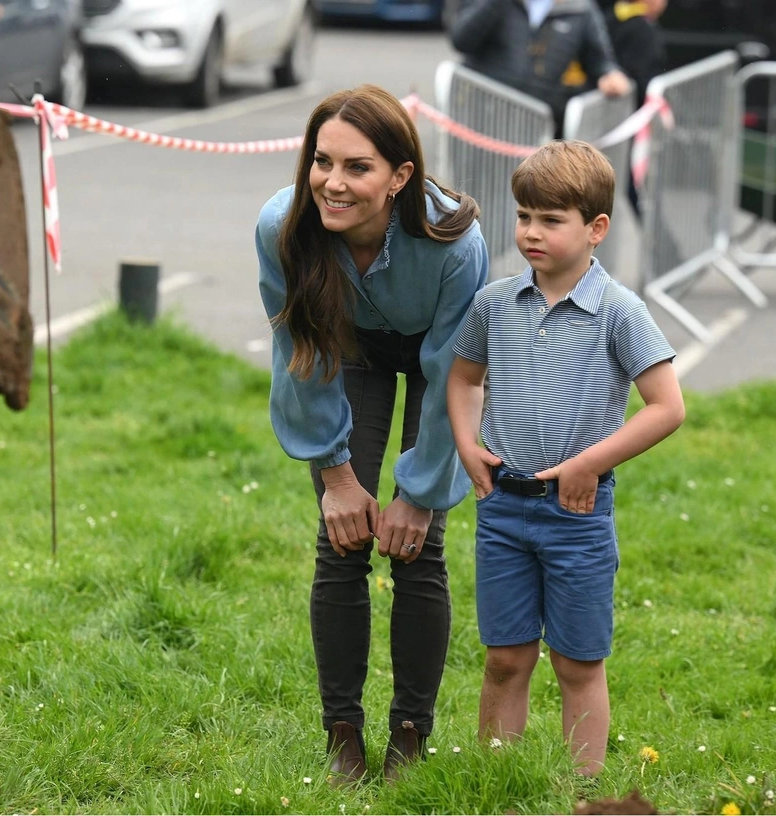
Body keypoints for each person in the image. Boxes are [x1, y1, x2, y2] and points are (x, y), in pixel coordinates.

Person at [255, 84, 489, 785]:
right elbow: (300, 354)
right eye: (322, 162)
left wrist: (420, 494)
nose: (333, 182)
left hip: (434, 358)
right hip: (345, 348)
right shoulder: (282, 227)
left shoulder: (454, 242)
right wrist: (336, 475)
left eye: (357, 167)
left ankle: (410, 740)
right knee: (342, 536)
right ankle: (343, 739)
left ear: (400, 177)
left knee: (420, 546)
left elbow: (457, 375)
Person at [446, 140, 685, 775]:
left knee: (577, 662)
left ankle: (584, 791)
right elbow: (465, 379)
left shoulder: (618, 312)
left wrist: (588, 463)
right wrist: (468, 445)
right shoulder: (494, 304)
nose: (531, 232)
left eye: (551, 220)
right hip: (503, 511)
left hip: (577, 515)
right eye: (524, 216)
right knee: (505, 657)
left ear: (596, 228)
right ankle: (499, 781)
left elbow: (667, 406)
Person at [450, 0, 632, 136]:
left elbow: (599, 60)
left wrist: (609, 74)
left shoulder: (580, 8)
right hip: (481, 119)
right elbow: (461, 40)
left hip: (538, 126)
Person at [598, 0, 669, 216]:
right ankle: (661, 246)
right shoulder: (640, 29)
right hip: (630, 125)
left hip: (612, 121)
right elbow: (643, 77)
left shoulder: (612, 16)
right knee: (635, 190)